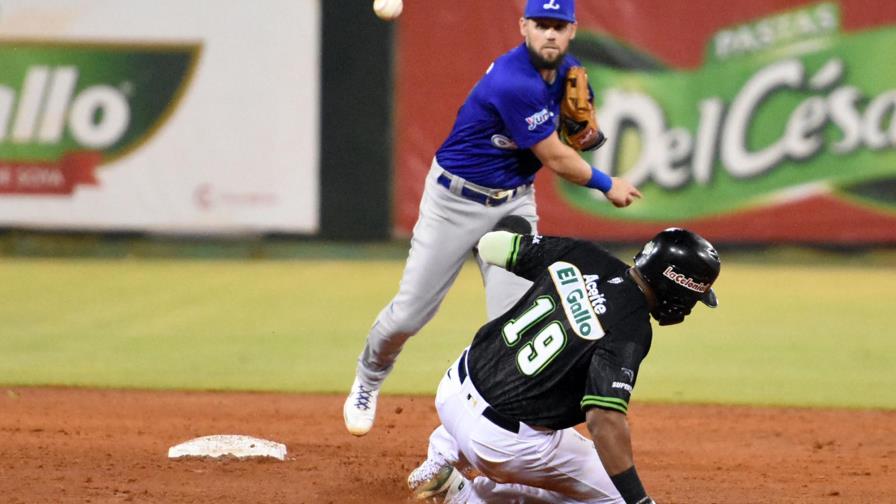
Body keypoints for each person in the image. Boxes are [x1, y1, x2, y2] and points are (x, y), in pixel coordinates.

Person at [344, 0, 643, 436]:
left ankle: (474, 427)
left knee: (514, 323)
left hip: (513, 206)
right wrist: (605, 182)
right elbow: (557, 159)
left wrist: (586, 133)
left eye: (559, 26)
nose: (550, 34)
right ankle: (368, 378)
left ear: (573, 30)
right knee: (409, 315)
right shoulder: (512, 80)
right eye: (542, 24)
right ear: (524, 26)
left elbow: (577, 139)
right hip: (453, 203)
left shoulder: (570, 73)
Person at [406, 223, 721, 503]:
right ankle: (463, 496)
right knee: (613, 498)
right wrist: (638, 501)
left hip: (452, 391)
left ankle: (440, 459)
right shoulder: (631, 329)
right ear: (677, 289)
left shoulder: (583, 255)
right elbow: (603, 420)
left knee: (511, 367)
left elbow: (491, 245)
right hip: (499, 445)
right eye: (694, 296)